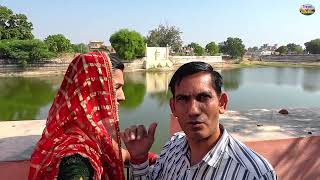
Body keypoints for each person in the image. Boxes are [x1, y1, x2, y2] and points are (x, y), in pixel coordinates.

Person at [121, 61, 277, 180]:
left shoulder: (254, 174)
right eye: (183, 99)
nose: (193, 110)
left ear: (222, 103)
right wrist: (140, 158)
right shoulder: (173, 146)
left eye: (203, 97)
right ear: (173, 107)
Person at [29, 51, 126, 180]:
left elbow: (120, 153)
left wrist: (142, 156)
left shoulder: (86, 130)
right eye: (115, 88)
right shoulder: (76, 158)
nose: (122, 97)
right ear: (92, 91)